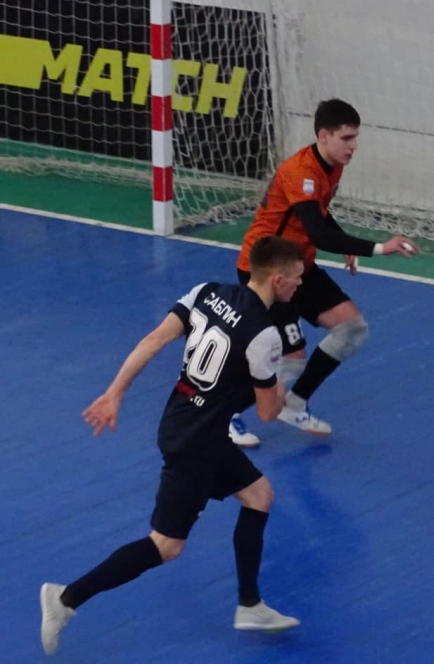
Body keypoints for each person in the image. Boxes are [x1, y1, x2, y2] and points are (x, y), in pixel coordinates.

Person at [39, 236, 306, 656]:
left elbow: (152, 340)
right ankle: (65, 598)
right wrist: (281, 387)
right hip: (196, 443)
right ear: (277, 280)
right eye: (296, 278)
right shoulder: (264, 336)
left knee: (259, 495)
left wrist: (114, 394)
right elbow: (268, 413)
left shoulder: (207, 292)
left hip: (185, 422)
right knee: (166, 546)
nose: (299, 284)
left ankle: (250, 605)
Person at [229, 98, 418, 447]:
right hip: (267, 271)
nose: (353, 146)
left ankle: (295, 403)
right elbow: (318, 233)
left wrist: (344, 241)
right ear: (324, 136)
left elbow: (319, 215)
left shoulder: (332, 165)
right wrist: (379, 247)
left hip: (298, 265)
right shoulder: (299, 172)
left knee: (352, 328)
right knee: (290, 355)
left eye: (355, 137)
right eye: (346, 138)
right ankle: (224, 413)